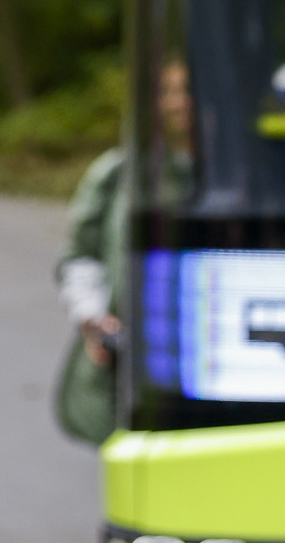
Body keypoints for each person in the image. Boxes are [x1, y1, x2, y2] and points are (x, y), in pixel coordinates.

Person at [54, 58, 193, 444]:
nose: (179, 102)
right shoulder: (118, 175)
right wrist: (93, 318)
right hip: (133, 362)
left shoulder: (248, 177)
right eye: (168, 91)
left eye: (188, 89)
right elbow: (80, 255)